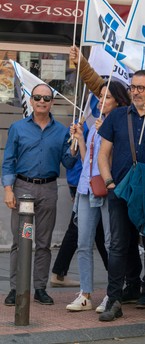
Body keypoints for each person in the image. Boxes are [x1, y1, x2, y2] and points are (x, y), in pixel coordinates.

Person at [97, 70, 145, 323]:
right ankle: (114, 299)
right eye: (133, 87)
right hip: (120, 190)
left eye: (141, 88)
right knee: (119, 246)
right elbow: (103, 153)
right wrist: (109, 181)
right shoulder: (118, 116)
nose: (135, 92)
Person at [2, 83, 77, 306]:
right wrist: (8, 189)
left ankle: (40, 288)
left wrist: (75, 143)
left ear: (52, 102)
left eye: (46, 98)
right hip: (23, 188)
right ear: (31, 101)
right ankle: (16, 289)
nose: (42, 101)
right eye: (37, 97)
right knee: (19, 241)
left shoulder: (62, 131)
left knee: (43, 243)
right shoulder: (17, 128)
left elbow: (69, 163)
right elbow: (8, 161)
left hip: (48, 189)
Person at [66, 81, 131, 313]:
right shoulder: (95, 124)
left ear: (118, 101)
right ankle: (85, 293)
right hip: (86, 187)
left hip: (107, 187)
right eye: (100, 96)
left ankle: (112, 294)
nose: (101, 101)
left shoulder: (120, 123)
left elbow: (115, 161)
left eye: (108, 98)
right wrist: (82, 140)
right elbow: (88, 162)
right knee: (83, 242)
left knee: (110, 242)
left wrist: (106, 135)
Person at [50, 121, 109, 288]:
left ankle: (116, 280)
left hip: (95, 184)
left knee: (102, 236)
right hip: (83, 185)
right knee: (81, 233)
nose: (100, 102)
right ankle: (83, 286)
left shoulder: (100, 123)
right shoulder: (90, 121)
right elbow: (81, 160)